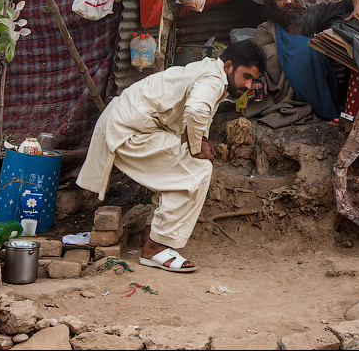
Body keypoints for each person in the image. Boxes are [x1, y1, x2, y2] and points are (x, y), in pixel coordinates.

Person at [76, 40, 267, 272]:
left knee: (178, 171)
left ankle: (151, 235)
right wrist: (196, 148)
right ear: (228, 66)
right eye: (246, 76)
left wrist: (201, 141)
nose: (248, 85)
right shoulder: (214, 79)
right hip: (130, 131)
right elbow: (196, 110)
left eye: (252, 80)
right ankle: (155, 248)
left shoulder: (210, 72)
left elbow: (195, 113)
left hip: (129, 125)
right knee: (198, 169)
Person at [248, 0, 359, 127]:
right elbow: (254, 61)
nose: (288, 1)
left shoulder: (311, 14)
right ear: (272, 4)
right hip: (284, 94)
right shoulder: (266, 30)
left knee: (309, 49)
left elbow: (345, 2)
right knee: (270, 50)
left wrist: (357, 3)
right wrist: (258, 79)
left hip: (317, 88)